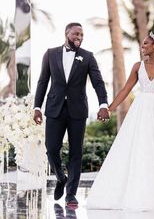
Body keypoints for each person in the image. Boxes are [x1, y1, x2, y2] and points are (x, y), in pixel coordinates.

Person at [86, 30, 154, 212]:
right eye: (143, 44)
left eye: (146, 43)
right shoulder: (137, 66)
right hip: (141, 111)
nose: (143, 47)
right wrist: (109, 108)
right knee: (140, 148)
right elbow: (125, 90)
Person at [33, 22, 109, 207]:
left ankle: (71, 195)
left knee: (76, 152)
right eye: (76, 34)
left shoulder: (88, 57)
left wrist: (103, 104)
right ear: (66, 33)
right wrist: (37, 107)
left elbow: (98, 82)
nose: (79, 37)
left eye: (82, 35)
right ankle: (61, 177)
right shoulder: (50, 54)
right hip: (54, 108)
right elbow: (43, 81)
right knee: (51, 148)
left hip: (77, 110)